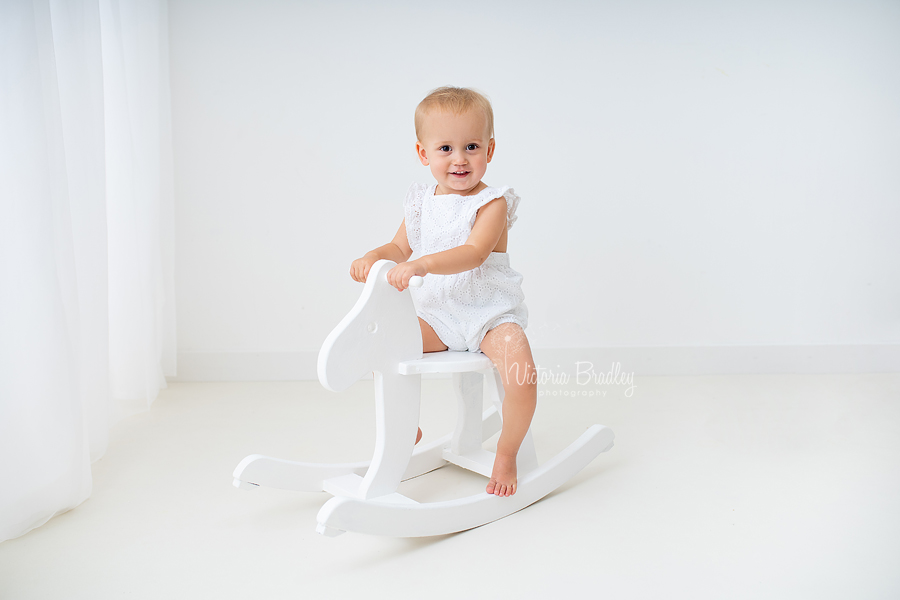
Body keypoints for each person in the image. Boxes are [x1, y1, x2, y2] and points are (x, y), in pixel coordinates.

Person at [349, 86, 536, 497]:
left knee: (522, 376)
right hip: (439, 312)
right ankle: (405, 426)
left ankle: (507, 452)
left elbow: (473, 252)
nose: (460, 159)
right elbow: (399, 248)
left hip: (489, 314)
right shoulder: (421, 201)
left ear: (490, 149)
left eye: (471, 146)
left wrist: (423, 264)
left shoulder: (492, 203)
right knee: (382, 343)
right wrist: (373, 256)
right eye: (446, 148)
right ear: (423, 154)